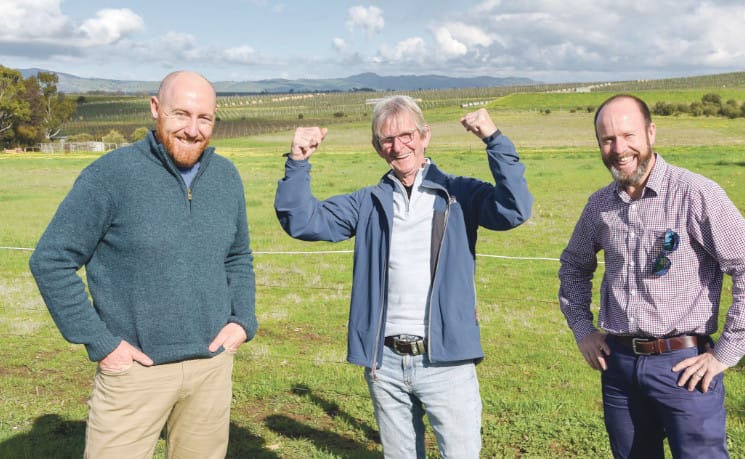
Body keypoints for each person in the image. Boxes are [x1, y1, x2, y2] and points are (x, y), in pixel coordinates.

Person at [274, 95, 532, 458]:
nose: (398, 146)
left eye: (407, 135)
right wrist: (298, 161)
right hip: (387, 363)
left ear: (425, 135)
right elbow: (302, 221)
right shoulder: (368, 203)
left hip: (447, 361)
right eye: (387, 140)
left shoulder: (458, 194)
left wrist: (494, 139)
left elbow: (515, 209)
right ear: (378, 148)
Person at [29, 70, 258, 459]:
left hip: (211, 369)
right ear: (155, 109)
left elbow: (237, 257)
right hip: (135, 371)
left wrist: (243, 321)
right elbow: (51, 260)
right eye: (181, 114)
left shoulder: (226, 177)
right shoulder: (110, 176)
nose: (193, 129)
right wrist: (101, 342)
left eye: (205, 118)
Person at [558, 94, 745, 458]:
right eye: (608, 139)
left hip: (684, 369)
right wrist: (582, 329)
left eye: (628, 135)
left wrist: (725, 353)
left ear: (651, 132)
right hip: (619, 366)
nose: (619, 148)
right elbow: (573, 266)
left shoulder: (695, 194)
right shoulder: (600, 205)